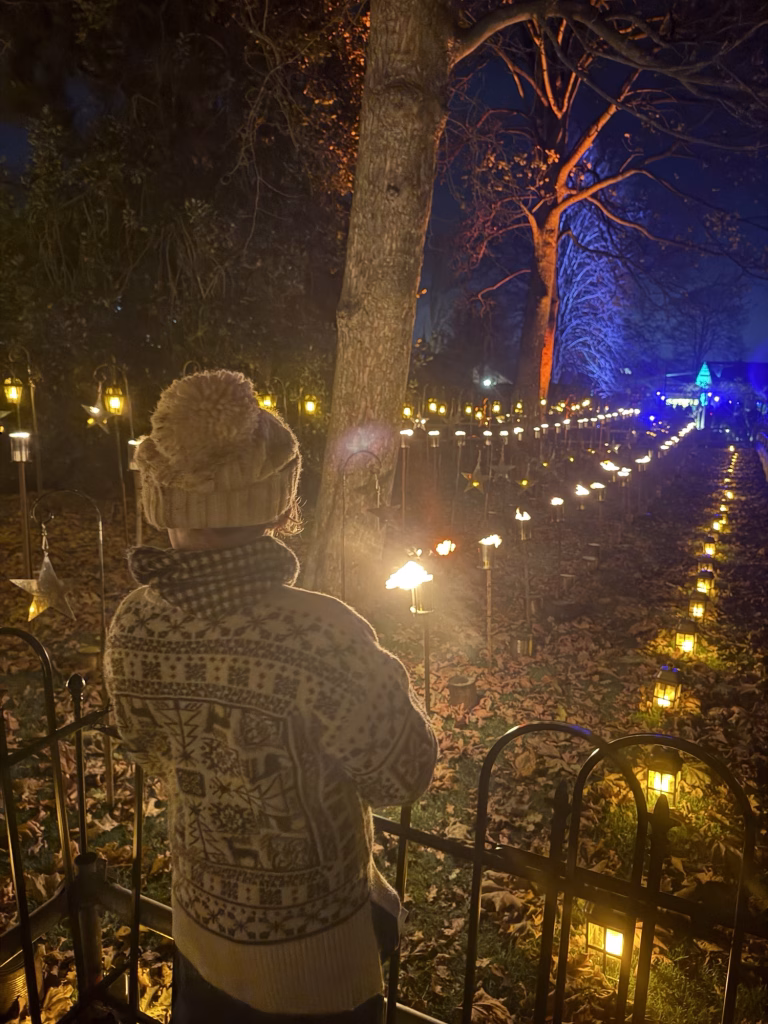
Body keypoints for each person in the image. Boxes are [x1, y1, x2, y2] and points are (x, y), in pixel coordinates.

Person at [104, 370, 438, 1023]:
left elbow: (145, 745)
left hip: (201, 931)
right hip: (319, 966)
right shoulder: (325, 635)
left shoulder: (134, 625)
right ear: (280, 504)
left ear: (163, 503)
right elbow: (403, 772)